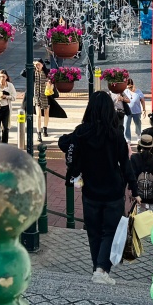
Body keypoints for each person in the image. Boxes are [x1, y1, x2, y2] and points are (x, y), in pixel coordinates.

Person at [62, 91, 137, 284]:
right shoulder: (115, 133)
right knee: (110, 231)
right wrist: (135, 190)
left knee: (93, 231)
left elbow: (64, 142)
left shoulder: (81, 132)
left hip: (90, 191)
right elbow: (126, 164)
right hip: (113, 191)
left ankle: (98, 269)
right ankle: (101, 270)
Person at [130, 134, 153, 215]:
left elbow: (132, 175)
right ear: (151, 146)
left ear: (140, 145)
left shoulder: (134, 158)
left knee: (140, 210)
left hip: (139, 189)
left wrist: (131, 189)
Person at [32, 59, 51, 138]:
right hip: (37, 96)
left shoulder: (47, 73)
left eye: (39, 64)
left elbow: (53, 80)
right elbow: (23, 73)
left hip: (46, 95)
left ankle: (45, 128)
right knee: (38, 114)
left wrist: (49, 82)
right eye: (36, 65)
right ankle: (38, 132)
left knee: (46, 113)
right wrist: (30, 65)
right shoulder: (33, 73)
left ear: (42, 65)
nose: (37, 66)